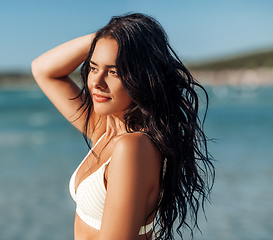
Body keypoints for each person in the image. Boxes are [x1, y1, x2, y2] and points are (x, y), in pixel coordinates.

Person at [31, 13, 214, 240]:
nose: (96, 83)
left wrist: (121, 40)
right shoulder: (104, 129)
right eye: (93, 67)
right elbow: (43, 69)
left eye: (114, 72)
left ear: (143, 77)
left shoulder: (134, 147)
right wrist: (106, 36)